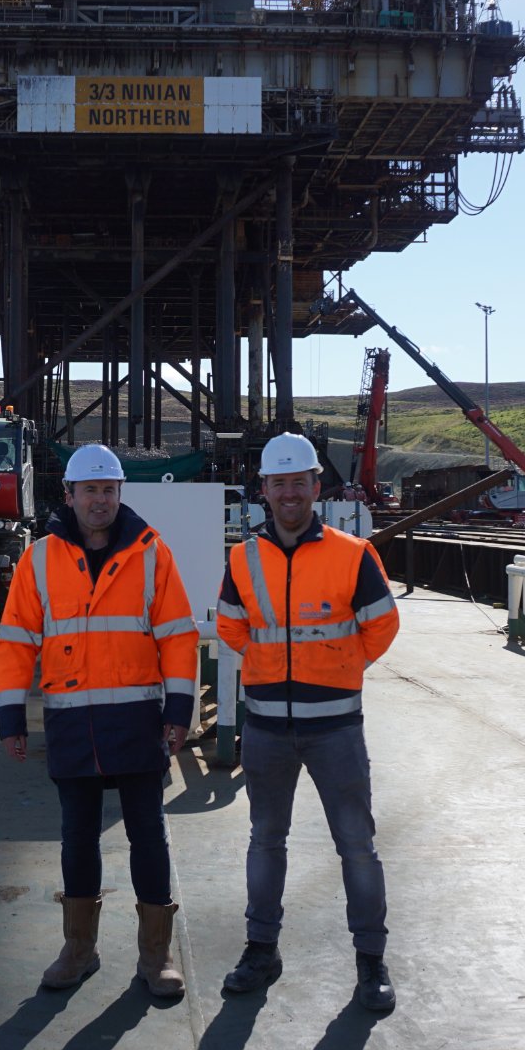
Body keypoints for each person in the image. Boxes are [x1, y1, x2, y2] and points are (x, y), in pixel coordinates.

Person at [0, 443, 199, 999]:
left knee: (147, 836)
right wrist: (11, 713)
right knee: (77, 839)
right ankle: (78, 950)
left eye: (109, 490)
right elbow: (16, 639)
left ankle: (156, 957)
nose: (101, 500)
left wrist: (179, 711)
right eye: (91, 491)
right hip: (71, 723)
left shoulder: (153, 553)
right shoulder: (39, 559)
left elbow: (178, 637)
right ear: (70, 496)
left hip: (136, 721)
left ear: (119, 494)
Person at [215, 432, 401, 1012]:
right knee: (265, 842)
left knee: (357, 846)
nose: (289, 492)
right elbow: (230, 625)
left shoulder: (353, 554)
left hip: (337, 730)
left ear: (316, 487)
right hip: (268, 729)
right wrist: (271, 665)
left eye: (300, 482)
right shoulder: (242, 558)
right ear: (264, 490)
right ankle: (260, 950)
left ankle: (371, 961)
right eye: (279, 483)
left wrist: (342, 665)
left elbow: (382, 625)